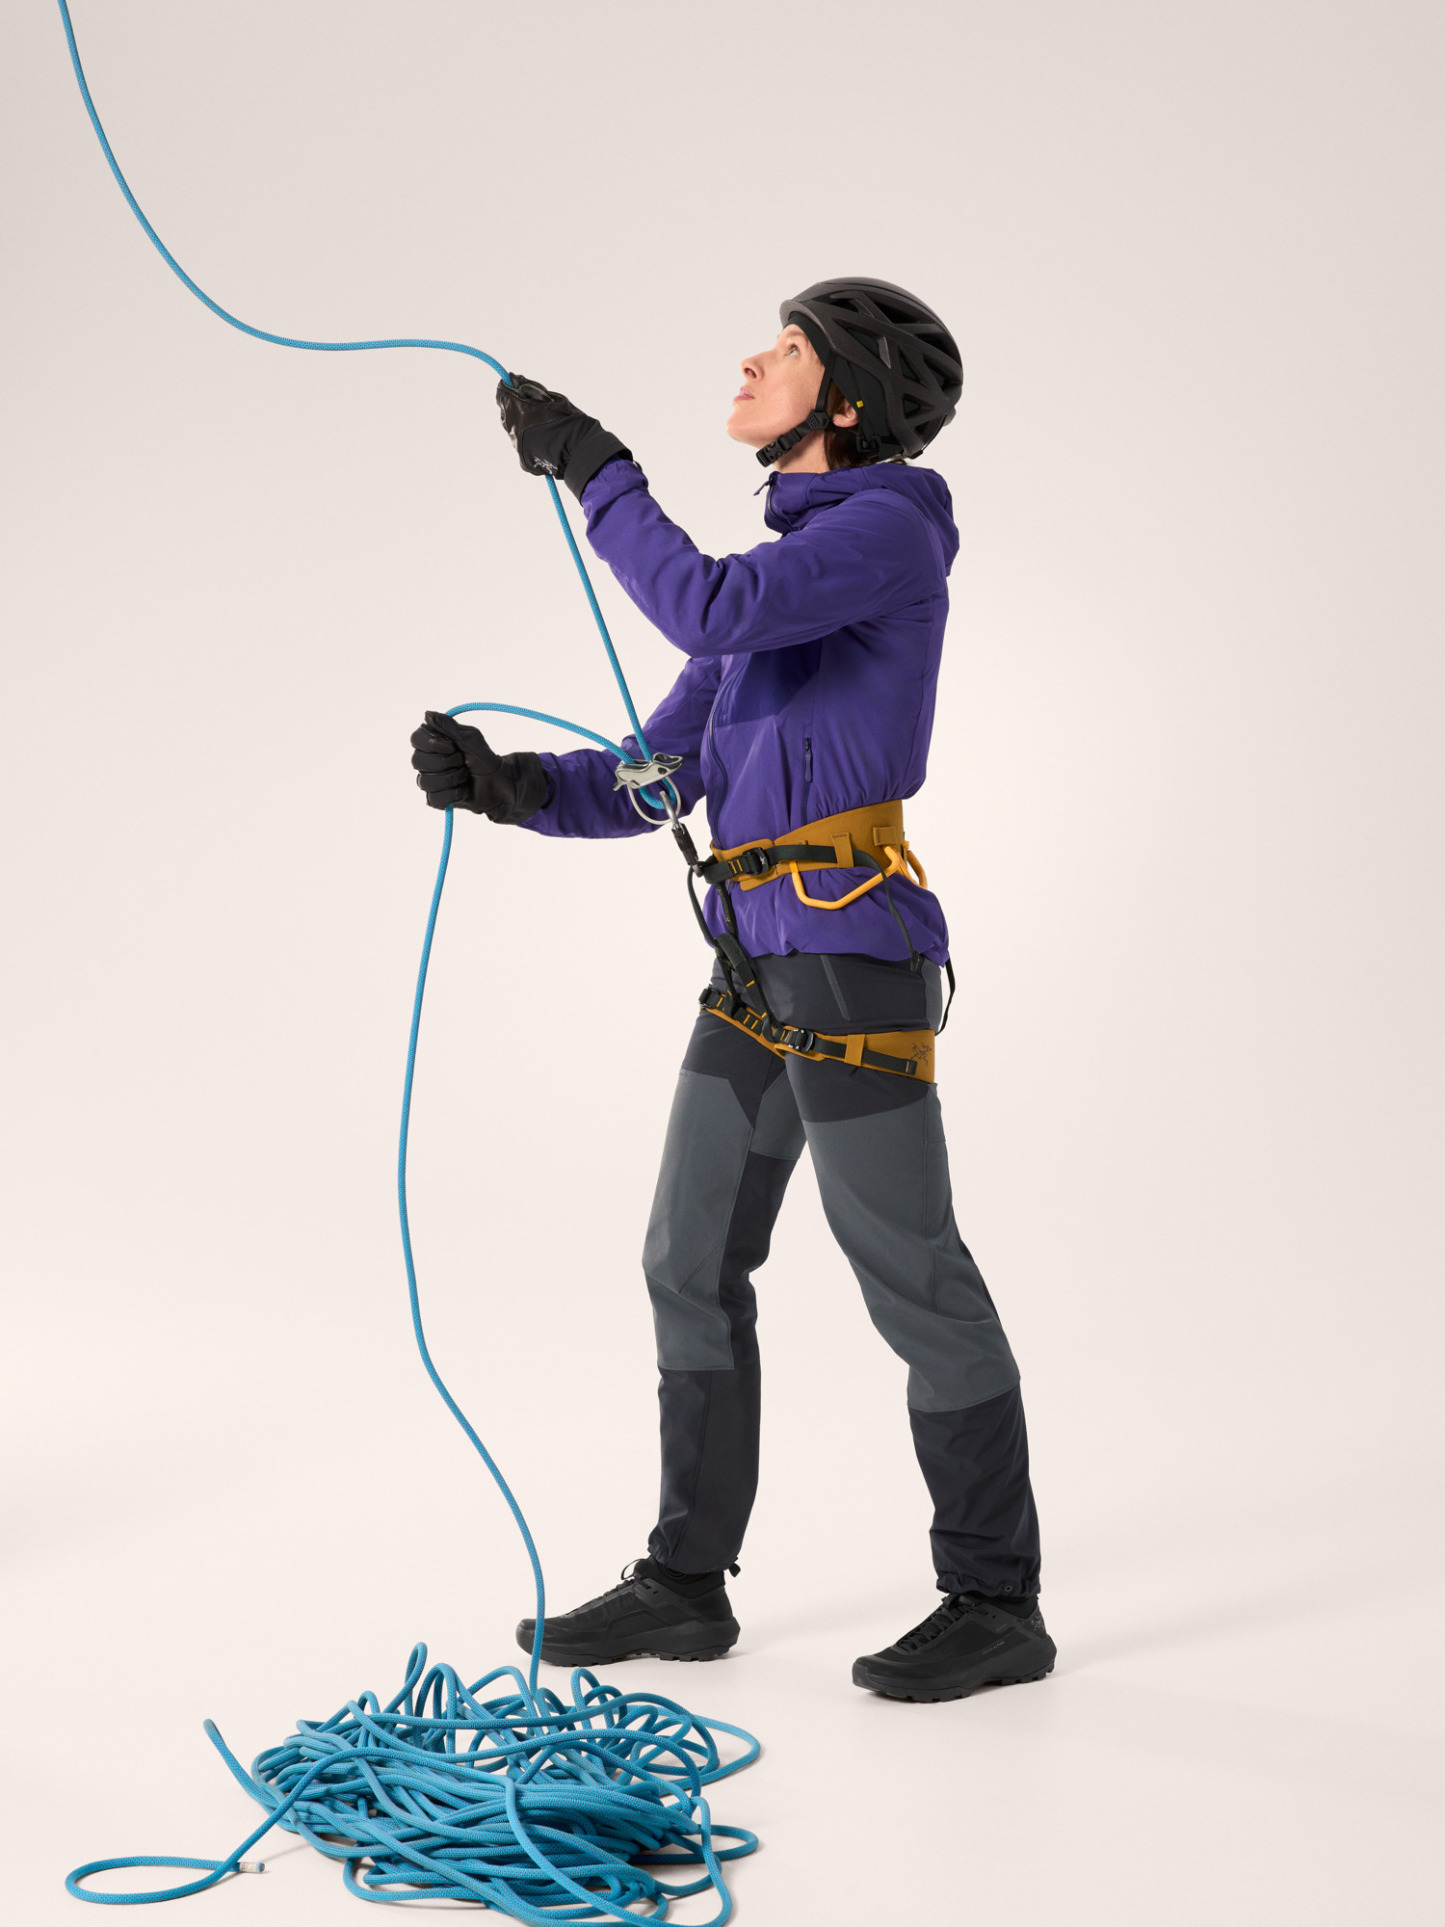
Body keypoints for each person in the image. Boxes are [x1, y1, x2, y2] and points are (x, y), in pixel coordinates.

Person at [409, 279, 1055, 1702]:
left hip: (852, 957)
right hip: (756, 966)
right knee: (687, 1258)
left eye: (788, 348)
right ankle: (685, 1585)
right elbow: (658, 778)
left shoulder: (886, 528)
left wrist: (599, 471)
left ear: (847, 401)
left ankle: (995, 1601)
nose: (753, 361)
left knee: (910, 1271)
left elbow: (701, 597)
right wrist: (510, 788)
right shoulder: (776, 592)